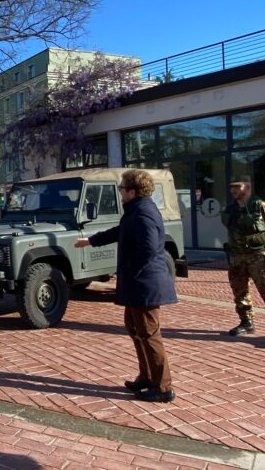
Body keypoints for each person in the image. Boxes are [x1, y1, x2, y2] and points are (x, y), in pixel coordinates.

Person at [75, 169, 177, 403]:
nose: (120, 191)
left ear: (133, 191)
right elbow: (120, 232)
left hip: (145, 285)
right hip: (137, 284)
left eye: (122, 188)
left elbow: (149, 250)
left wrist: (131, 272)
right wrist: (91, 240)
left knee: (150, 334)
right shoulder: (136, 210)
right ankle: (146, 377)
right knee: (135, 328)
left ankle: (163, 388)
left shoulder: (143, 213)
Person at [221, 176, 265, 343]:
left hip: (257, 257)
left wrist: (262, 238)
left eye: (236, 187)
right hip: (236, 257)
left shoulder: (260, 206)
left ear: (247, 187)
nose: (232, 190)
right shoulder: (230, 210)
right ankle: (246, 322)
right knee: (239, 292)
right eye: (231, 187)